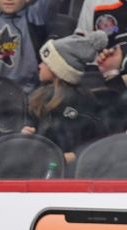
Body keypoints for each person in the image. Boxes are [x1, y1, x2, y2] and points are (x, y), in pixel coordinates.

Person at [22, 31, 107, 163]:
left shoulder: (77, 101)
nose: (39, 66)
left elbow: (88, 139)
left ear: (57, 69)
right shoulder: (40, 95)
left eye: (45, 63)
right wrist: (27, 130)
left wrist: (72, 156)